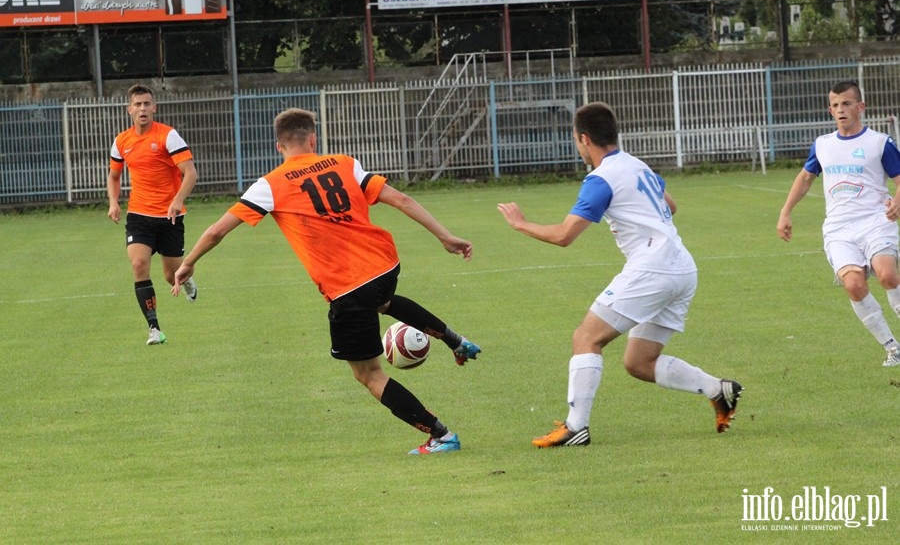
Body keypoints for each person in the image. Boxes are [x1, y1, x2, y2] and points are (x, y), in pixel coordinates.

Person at [170, 108, 482, 455]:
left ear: (279, 146)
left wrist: (188, 263)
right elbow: (401, 199)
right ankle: (455, 340)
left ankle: (440, 434)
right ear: (313, 139)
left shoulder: (270, 184)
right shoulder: (346, 163)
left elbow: (216, 231)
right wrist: (445, 236)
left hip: (347, 286)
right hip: (385, 265)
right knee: (381, 301)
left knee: (368, 375)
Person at [497, 102, 742, 448]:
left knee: (586, 338)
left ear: (584, 139)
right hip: (682, 268)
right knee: (639, 362)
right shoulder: (637, 165)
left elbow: (564, 236)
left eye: (576, 140)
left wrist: (520, 224)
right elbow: (670, 206)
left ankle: (575, 427)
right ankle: (718, 389)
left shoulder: (600, 179)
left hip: (652, 267)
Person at [777, 80, 900, 368]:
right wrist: (785, 212)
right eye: (835, 104)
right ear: (830, 110)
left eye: (846, 103)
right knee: (855, 286)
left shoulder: (879, 142)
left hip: (875, 221)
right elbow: (806, 177)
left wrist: (897, 200)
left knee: (887, 276)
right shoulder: (823, 144)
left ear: (861, 107)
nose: (840, 109)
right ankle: (892, 347)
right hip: (839, 229)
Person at [107, 84, 198, 346]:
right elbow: (114, 176)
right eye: (138, 104)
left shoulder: (168, 136)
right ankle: (154, 328)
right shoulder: (121, 141)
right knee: (138, 265)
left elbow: (190, 173)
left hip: (170, 217)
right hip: (139, 215)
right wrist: (113, 202)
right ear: (129, 110)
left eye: (147, 104)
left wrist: (177, 200)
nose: (143, 108)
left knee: (172, 276)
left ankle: (188, 279)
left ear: (154, 107)